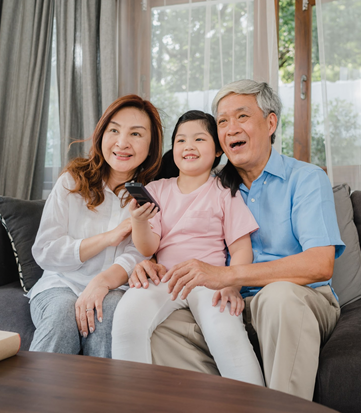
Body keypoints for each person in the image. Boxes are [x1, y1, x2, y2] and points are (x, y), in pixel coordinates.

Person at [129, 80, 345, 401]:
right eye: (222, 121)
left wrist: (229, 276)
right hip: (231, 305)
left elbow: (320, 264)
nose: (231, 128)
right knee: (161, 329)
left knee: (278, 298)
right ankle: (241, 402)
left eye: (242, 117)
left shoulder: (306, 178)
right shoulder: (214, 188)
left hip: (298, 299)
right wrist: (145, 263)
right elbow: (175, 235)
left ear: (270, 123)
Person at [112, 111, 265, 386]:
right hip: (165, 278)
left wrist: (231, 285)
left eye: (198, 139)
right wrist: (138, 221)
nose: (188, 146)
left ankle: (255, 403)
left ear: (218, 150)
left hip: (210, 280)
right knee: (126, 319)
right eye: (181, 140)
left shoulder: (224, 192)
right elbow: (149, 246)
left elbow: (241, 249)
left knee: (226, 333)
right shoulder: (158, 189)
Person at [28, 94, 163, 358]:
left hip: (115, 288)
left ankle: (101, 399)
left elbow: (139, 253)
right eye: (114, 130)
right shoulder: (72, 181)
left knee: (109, 315)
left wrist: (101, 282)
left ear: (151, 146)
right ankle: (36, 398)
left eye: (136, 134)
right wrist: (108, 238)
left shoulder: (150, 193)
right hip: (60, 284)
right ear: (101, 135)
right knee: (61, 316)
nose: (122, 143)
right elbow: (45, 250)